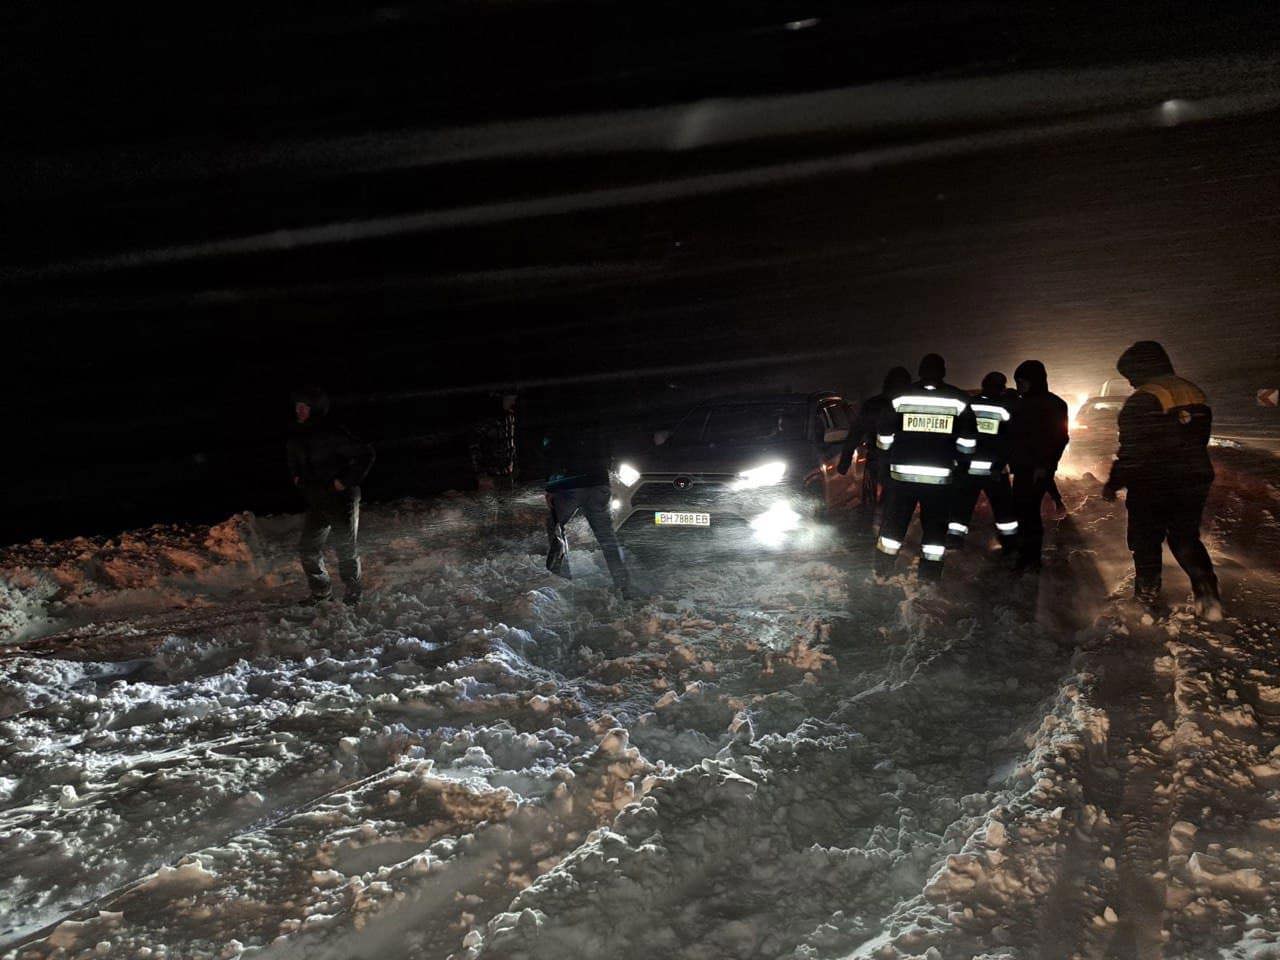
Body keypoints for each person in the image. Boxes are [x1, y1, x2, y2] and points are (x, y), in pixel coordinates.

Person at [1102, 341, 1222, 619]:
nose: (1130, 382)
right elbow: (1196, 439)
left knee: (1145, 538)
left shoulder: (1142, 399)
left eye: (1130, 374)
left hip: (1154, 481)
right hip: (1194, 476)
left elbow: (1132, 451)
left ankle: (1146, 596)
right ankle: (1207, 594)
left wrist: (1114, 482)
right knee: (1184, 536)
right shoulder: (1193, 391)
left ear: (1142, 368)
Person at [874, 353, 978, 581]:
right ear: (943, 372)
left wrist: (885, 462)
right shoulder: (959, 400)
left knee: (893, 527)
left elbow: (884, 435)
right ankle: (929, 579)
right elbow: (968, 442)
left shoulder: (899, 397)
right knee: (935, 530)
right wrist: (961, 468)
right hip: (939, 481)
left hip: (902, 478)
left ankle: (881, 574)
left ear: (920, 371)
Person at [286, 387, 376, 605]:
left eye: (304, 406)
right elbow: (294, 459)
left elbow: (366, 454)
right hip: (316, 500)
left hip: (340, 499)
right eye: (297, 406)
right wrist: (296, 476)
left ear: (315, 409)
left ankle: (353, 590)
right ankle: (321, 593)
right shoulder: (297, 434)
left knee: (345, 548)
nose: (299, 410)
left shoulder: (333, 433)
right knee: (308, 549)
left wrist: (343, 481)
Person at [542, 407, 636, 598]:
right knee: (607, 538)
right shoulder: (600, 425)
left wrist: (551, 488)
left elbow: (554, 456)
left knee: (555, 526)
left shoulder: (562, 426)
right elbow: (612, 452)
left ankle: (557, 575)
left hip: (571, 487)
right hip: (599, 485)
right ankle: (624, 585)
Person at [1005, 360, 1069, 573]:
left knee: (1028, 512)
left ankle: (1029, 558)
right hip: (1024, 466)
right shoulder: (1024, 404)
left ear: (1033, 381)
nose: (1019, 386)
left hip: (1037, 468)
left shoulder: (1050, 405)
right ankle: (1028, 555)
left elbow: (1059, 438)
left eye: (1022, 382)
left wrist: (1045, 464)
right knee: (1023, 510)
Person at [948, 371, 1019, 552]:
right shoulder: (1005, 409)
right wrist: (999, 465)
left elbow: (958, 436)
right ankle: (1010, 543)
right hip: (994, 472)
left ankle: (955, 540)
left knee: (961, 508)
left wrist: (960, 464)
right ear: (1002, 388)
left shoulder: (970, 405)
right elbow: (1009, 441)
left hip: (969, 469)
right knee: (1004, 511)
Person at [838, 366, 912, 519]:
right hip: (904, 461)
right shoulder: (913, 407)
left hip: (878, 461)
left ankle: (878, 524)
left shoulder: (873, 405)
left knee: (878, 502)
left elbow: (855, 433)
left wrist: (844, 462)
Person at [469, 392, 518, 492]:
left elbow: (511, 443)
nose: (513, 401)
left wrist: (514, 464)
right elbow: (474, 446)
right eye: (510, 398)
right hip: (489, 474)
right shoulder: (486, 421)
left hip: (506, 472)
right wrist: (481, 473)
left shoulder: (510, 417)